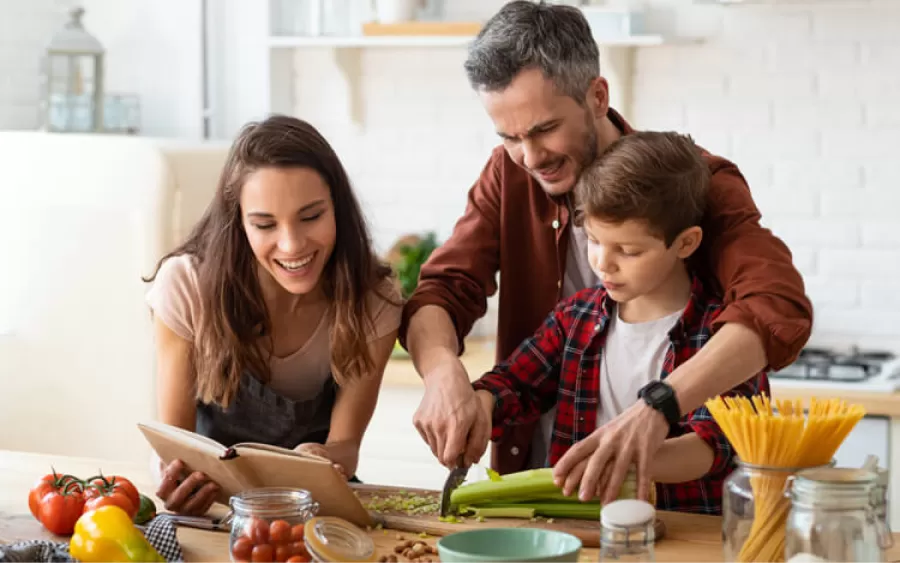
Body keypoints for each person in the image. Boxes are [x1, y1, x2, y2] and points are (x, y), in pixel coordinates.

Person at [401, 0, 811, 504]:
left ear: (597, 95)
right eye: (509, 137)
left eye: (544, 129)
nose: (529, 158)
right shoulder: (509, 175)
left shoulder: (690, 183)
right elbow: (444, 290)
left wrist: (657, 409)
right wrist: (445, 375)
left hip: (679, 507)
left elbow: (776, 305)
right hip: (548, 486)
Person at [471, 130, 768, 514]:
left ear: (685, 243)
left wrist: (619, 457)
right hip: (580, 536)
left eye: (628, 251)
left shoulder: (723, 337)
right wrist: (479, 404)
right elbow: (514, 385)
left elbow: (714, 445)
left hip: (683, 536)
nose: (603, 263)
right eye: (594, 240)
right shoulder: (574, 318)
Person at [143, 115, 402, 515]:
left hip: (317, 506)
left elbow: (347, 446)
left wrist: (327, 455)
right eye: (265, 224)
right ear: (238, 223)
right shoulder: (187, 286)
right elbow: (176, 442)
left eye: (312, 216)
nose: (292, 245)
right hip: (217, 508)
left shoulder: (373, 299)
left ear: (338, 207)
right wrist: (175, 480)